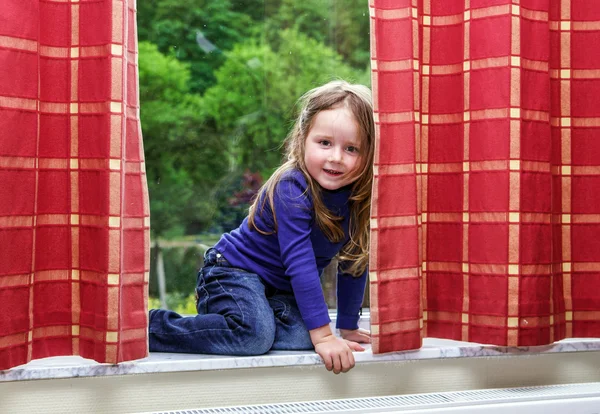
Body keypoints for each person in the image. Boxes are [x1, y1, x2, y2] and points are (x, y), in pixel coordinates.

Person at [148, 80, 375, 374]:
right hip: (232, 271)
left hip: (277, 291)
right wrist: (324, 335)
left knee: (300, 339)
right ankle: (149, 326)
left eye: (352, 149)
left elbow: (354, 263)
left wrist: (347, 326)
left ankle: (251, 319)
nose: (335, 157)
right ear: (302, 139)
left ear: (369, 154)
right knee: (254, 336)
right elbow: (300, 264)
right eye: (325, 143)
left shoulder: (359, 198)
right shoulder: (292, 187)